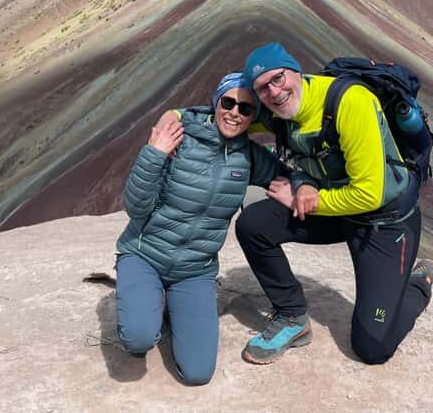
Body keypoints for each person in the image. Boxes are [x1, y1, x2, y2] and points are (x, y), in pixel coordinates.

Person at [236, 42, 433, 365]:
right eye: (262, 88)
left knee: (372, 347)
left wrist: (302, 197)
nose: (274, 92)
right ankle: (292, 317)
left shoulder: (350, 102)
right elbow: (228, 113)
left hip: (384, 223)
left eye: (278, 78)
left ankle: (417, 285)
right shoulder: (277, 112)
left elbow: (370, 194)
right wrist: (176, 117)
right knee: (253, 225)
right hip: (337, 212)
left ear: (295, 71)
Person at [115, 72, 309, 385]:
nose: (234, 112)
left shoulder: (249, 157)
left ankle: (166, 305)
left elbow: (290, 173)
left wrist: (301, 187)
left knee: (198, 373)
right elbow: (136, 209)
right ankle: (143, 299)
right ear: (216, 102)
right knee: (138, 339)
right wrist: (154, 154)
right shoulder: (179, 136)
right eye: (228, 102)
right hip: (145, 255)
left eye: (246, 109)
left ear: (253, 117)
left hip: (195, 270)